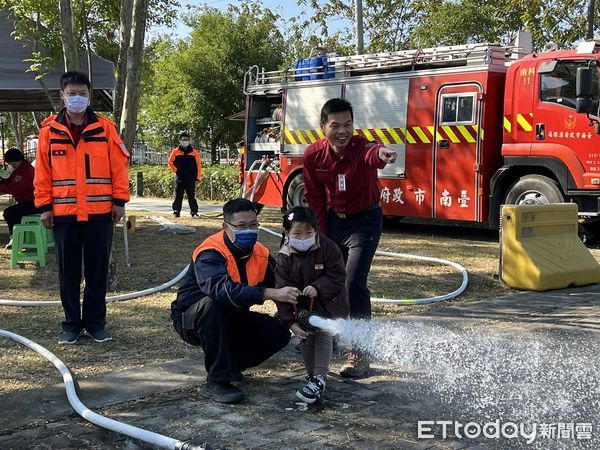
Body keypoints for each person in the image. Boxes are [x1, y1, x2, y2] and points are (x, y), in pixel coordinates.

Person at [171, 198, 299, 404]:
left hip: (235, 316)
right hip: (194, 319)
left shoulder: (261, 253)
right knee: (213, 305)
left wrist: (293, 317)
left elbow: (280, 285)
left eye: (253, 225)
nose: (248, 231)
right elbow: (222, 292)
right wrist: (270, 294)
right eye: (241, 226)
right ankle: (216, 381)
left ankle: (230, 365)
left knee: (279, 331)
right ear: (226, 226)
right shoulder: (210, 252)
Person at [303, 98, 397, 378]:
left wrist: (383, 154)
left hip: (366, 222)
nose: (343, 131)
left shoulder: (361, 146)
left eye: (348, 124)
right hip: (334, 220)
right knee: (326, 278)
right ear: (323, 127)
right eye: (336, 125)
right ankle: (323, 335)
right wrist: (319, 236)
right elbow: (315, 197)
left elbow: (374, 153)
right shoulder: (313, 155)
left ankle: (359, 353)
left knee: (353, 281)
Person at [34, 71, 130, 345]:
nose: (78, 98)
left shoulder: (105, 129)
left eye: (83, 94)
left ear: (90, 96)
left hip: (100, 214)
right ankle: (71, 325)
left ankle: (96, 324)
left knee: (97, 272)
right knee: (68, 274)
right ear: (62, 96)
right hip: (63, 216)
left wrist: (119, 201)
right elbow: (42, 173)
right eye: (72, 93)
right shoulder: (49, 132)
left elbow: (119, 168)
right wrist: (44, 207)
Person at [274, 206, 350, 404]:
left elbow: (338, 276)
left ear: (316, 230)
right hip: (301, 308)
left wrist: (318, 287)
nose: (303, 238)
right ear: (286, 233)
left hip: (329, 302)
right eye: (297, 233)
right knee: (306, 336)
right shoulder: (284, 256)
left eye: (309, 233)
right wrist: (290, 322)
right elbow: (281, 290)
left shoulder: (328, 247)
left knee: (323, 332)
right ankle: (312, 377)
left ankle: (319, 377)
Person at [0, 148, 37, 249]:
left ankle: (15, 239)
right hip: (26, 202)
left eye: (10, 163)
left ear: (15, 161)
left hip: (34, 203)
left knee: (9, 213)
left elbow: (14, 188)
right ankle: (20, 238)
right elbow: (9, 181)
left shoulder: (26, 171)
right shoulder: (20, 169)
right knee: (14, 213)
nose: (10, 166)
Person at [168, 132, 202, 218]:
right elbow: (170, 162)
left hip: (191, 178)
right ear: (180, 141)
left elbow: (198, 165)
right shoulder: (175, 151)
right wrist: (176, 170)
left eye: (186, 140)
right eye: (183, 140)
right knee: (178, 195)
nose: (185, 141)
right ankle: (176, 211)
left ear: (189, 140)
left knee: (191, 196)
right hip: (180, 177)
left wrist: (197, 178)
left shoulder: (194, 152)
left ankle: (194, 212)